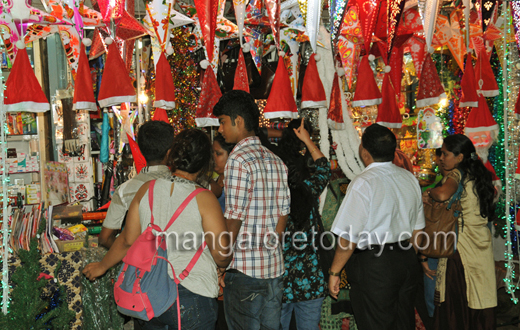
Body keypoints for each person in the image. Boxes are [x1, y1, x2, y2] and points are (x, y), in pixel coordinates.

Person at [83, 128, 233, 329]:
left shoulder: (147, 189)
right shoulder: (205, 198)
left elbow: (127, 240)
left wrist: (102, 266)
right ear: (206, 163)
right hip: (191, 296)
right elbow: (221, 253)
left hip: (149, 293)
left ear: (172, 155)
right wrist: (222, 266)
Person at [328, 123, 425, 330]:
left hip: (377, 266)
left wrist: (335, 272)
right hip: (407, 258)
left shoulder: (364, 182)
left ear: (364, 152)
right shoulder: (409, 178)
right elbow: (418, 229)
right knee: (403, 322)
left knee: (376, 324)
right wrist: (405, 256)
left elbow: (348, 236)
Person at [212, 89, 291, 330]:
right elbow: (283, 215)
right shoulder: (275, 159)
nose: (221, 130)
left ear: (239, 121)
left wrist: (221, 264)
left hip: (245, 272)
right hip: (274, 270)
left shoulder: (238, 159)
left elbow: (234, 218)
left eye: (223, 122)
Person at [425, 134, 496, 330]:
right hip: (481, 246)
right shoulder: (480, 175)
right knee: (479, 301)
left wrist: (428, 192)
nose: (441, 158)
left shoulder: (456, 175)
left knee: (458, 307)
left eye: (445, 154)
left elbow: (441, 194)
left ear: (460, 157)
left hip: (462, 251)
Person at [275, 118, 331, 330]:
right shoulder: (309, 191)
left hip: (279, 281)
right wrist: (307, 141)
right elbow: (323, 167)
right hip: (310, 279)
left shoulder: (273, 200)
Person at [99, 120, 174, 249]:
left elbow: (105, 238)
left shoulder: (125, 190)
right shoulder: (185, 186)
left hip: (141, 263)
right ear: (169, 152)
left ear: (141, 150)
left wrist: (130, 256)